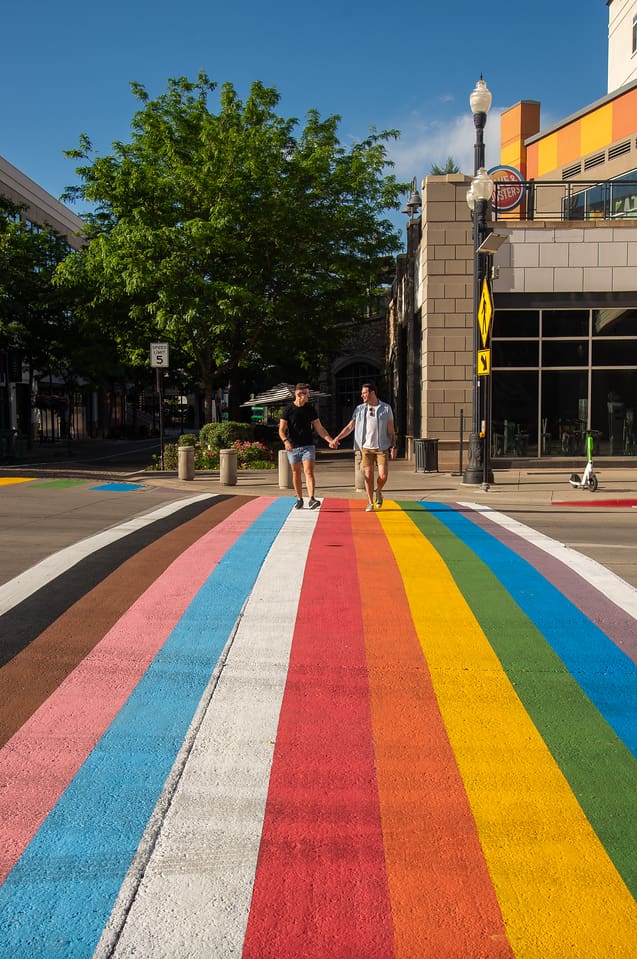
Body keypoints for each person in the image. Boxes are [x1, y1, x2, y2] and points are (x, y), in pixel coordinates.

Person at [331, 382, 396, 511]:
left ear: (372, 393)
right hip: (365, 448)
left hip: (381, 447)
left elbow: (391, 430)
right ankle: (370, 502)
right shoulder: (360, 409)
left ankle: (378, 491)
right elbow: (350, 427)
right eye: (362, 393)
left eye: (364, 393)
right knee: (368, 475)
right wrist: (336, 438)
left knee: (383, 476)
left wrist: (393, 446)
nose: (362, 396)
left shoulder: (386, 408)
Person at [279, 384, 336, 510]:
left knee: (308, 471)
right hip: (293, 446)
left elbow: (319, 428)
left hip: (308, 445)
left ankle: (311, 498)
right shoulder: (288, 410)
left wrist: (329, 440)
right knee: (296, 473)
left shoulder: (310, 409)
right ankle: (299, 499)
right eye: (306, 393)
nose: (308, 396)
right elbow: (281, 430)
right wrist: (285, 441)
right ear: (299, 394)